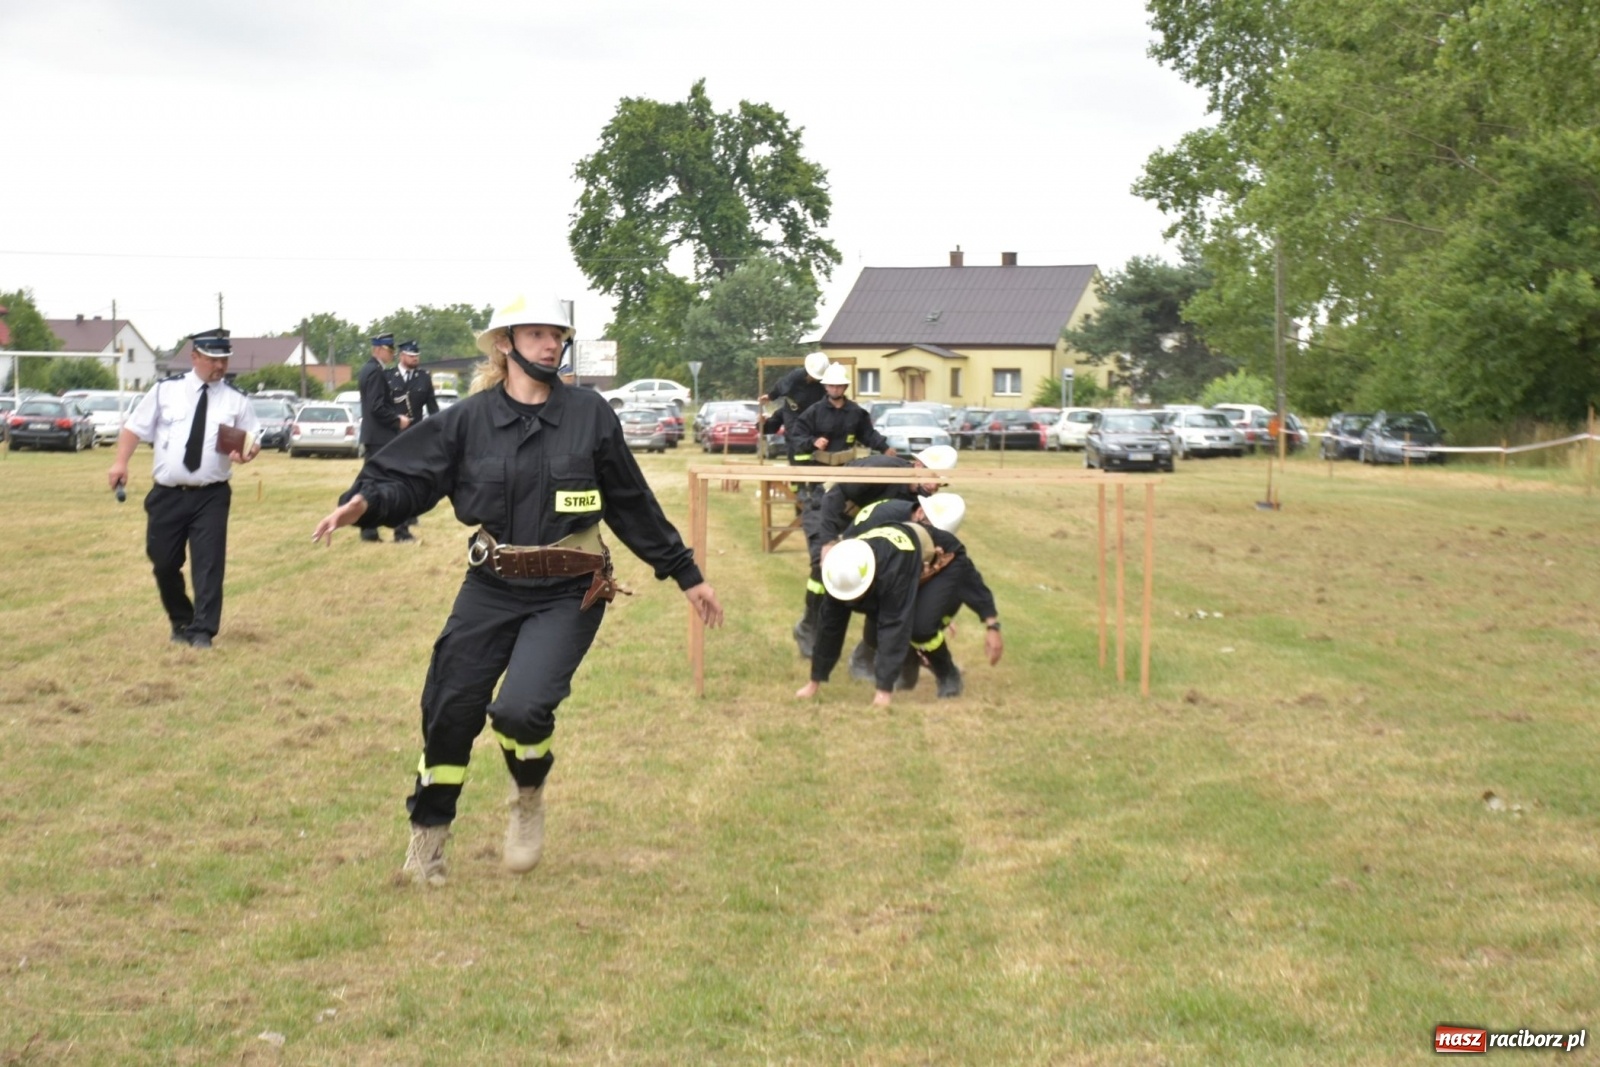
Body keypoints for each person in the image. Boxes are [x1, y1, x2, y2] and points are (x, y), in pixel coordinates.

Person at [311, 293, 724, 887]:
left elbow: (631, 502)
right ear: (505, 344)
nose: (551, 345)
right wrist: (366, 504)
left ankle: (527, 795)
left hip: (570, 590)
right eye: (536, 334)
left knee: (521, 709)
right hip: (491, 586)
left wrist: (686, 573)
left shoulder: (589, 414)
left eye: (557, 335)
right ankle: (429, 836)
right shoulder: (469, 420)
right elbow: (410, 478)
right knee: (450, 708)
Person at [106, 328, 261, 649]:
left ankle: (203, 630)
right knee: (163, 562)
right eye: (213, 359)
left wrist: (247, 453)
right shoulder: (166, 391)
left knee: (208, 564)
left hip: (211, 495)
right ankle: (181, 619)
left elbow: (252, 439)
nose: (220, 366)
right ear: (195, 357)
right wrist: (120, 463)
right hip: (168, 494)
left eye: (224, 359)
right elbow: (134, 428)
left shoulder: (236, 399)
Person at [795, 492, 963, 708]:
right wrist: (814, 681)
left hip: (903, 566)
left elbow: (893, 626)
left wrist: (883, 693)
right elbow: (830, 629)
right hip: (872, 561)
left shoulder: (898, 571)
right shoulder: (841, 570)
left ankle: (946, 672)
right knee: (846, 626)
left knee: (906, 626)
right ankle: (886, 664)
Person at [791, 444, 957, 658]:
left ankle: (866, 655)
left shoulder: (921, 502)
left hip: (863, 524)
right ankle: (808, 629)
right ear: (917, 465)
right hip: (827, 510)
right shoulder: (881, 469)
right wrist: (828, 542)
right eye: (932, 476)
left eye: (940, 482)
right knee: (825, 567)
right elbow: (833, 497)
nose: (934, 486)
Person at [845, 496, 1002, 698]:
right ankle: (874, 657)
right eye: (929, 530)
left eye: (936, 534)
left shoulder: (945, 546)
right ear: (919, 513)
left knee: (922, 627)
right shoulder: (878, 523)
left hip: (926, 577)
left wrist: (992, 625)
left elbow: (969, 578)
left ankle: (947, 673)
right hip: (882, 568)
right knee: (877, 628)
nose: (931, 537)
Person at [357, 332, 413, 542]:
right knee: (396, 483)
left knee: (372, 485)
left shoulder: (368, 369)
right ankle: (400, 532)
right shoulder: (375, 372)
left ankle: (369, 529)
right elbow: (376, 407)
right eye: (390, 350)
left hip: (374, 437)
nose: (392, 354)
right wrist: (398, 420)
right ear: (379, 349)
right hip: (381, 438)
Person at [789, 362, 894, 469]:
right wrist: (813, 442)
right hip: (820, 469)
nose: (835, 389)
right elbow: (797, 436)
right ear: (825, 386)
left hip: (847, 468)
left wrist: (885, 448)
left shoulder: (855, 412)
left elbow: (868, 434)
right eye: (831, 385)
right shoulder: (814, 412)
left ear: (845, 387)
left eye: (839, 386)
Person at [389, 340, 439, 533]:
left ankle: (411, 513)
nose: (415, 359)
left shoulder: (424, 378)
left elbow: (432, 407)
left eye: (417, 356)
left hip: (416, 434)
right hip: (393, 434)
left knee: (415, 476)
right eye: (411, 356)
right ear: (401, 356)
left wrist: (437, 431)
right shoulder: (388, 377)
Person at [759, 350, 829, 469]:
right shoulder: (796, 377)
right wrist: (771, 396)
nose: (815, 379)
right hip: (795, 414)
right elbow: (781, 386)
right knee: (796, 439)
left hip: (815, 418)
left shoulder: (825, 382)